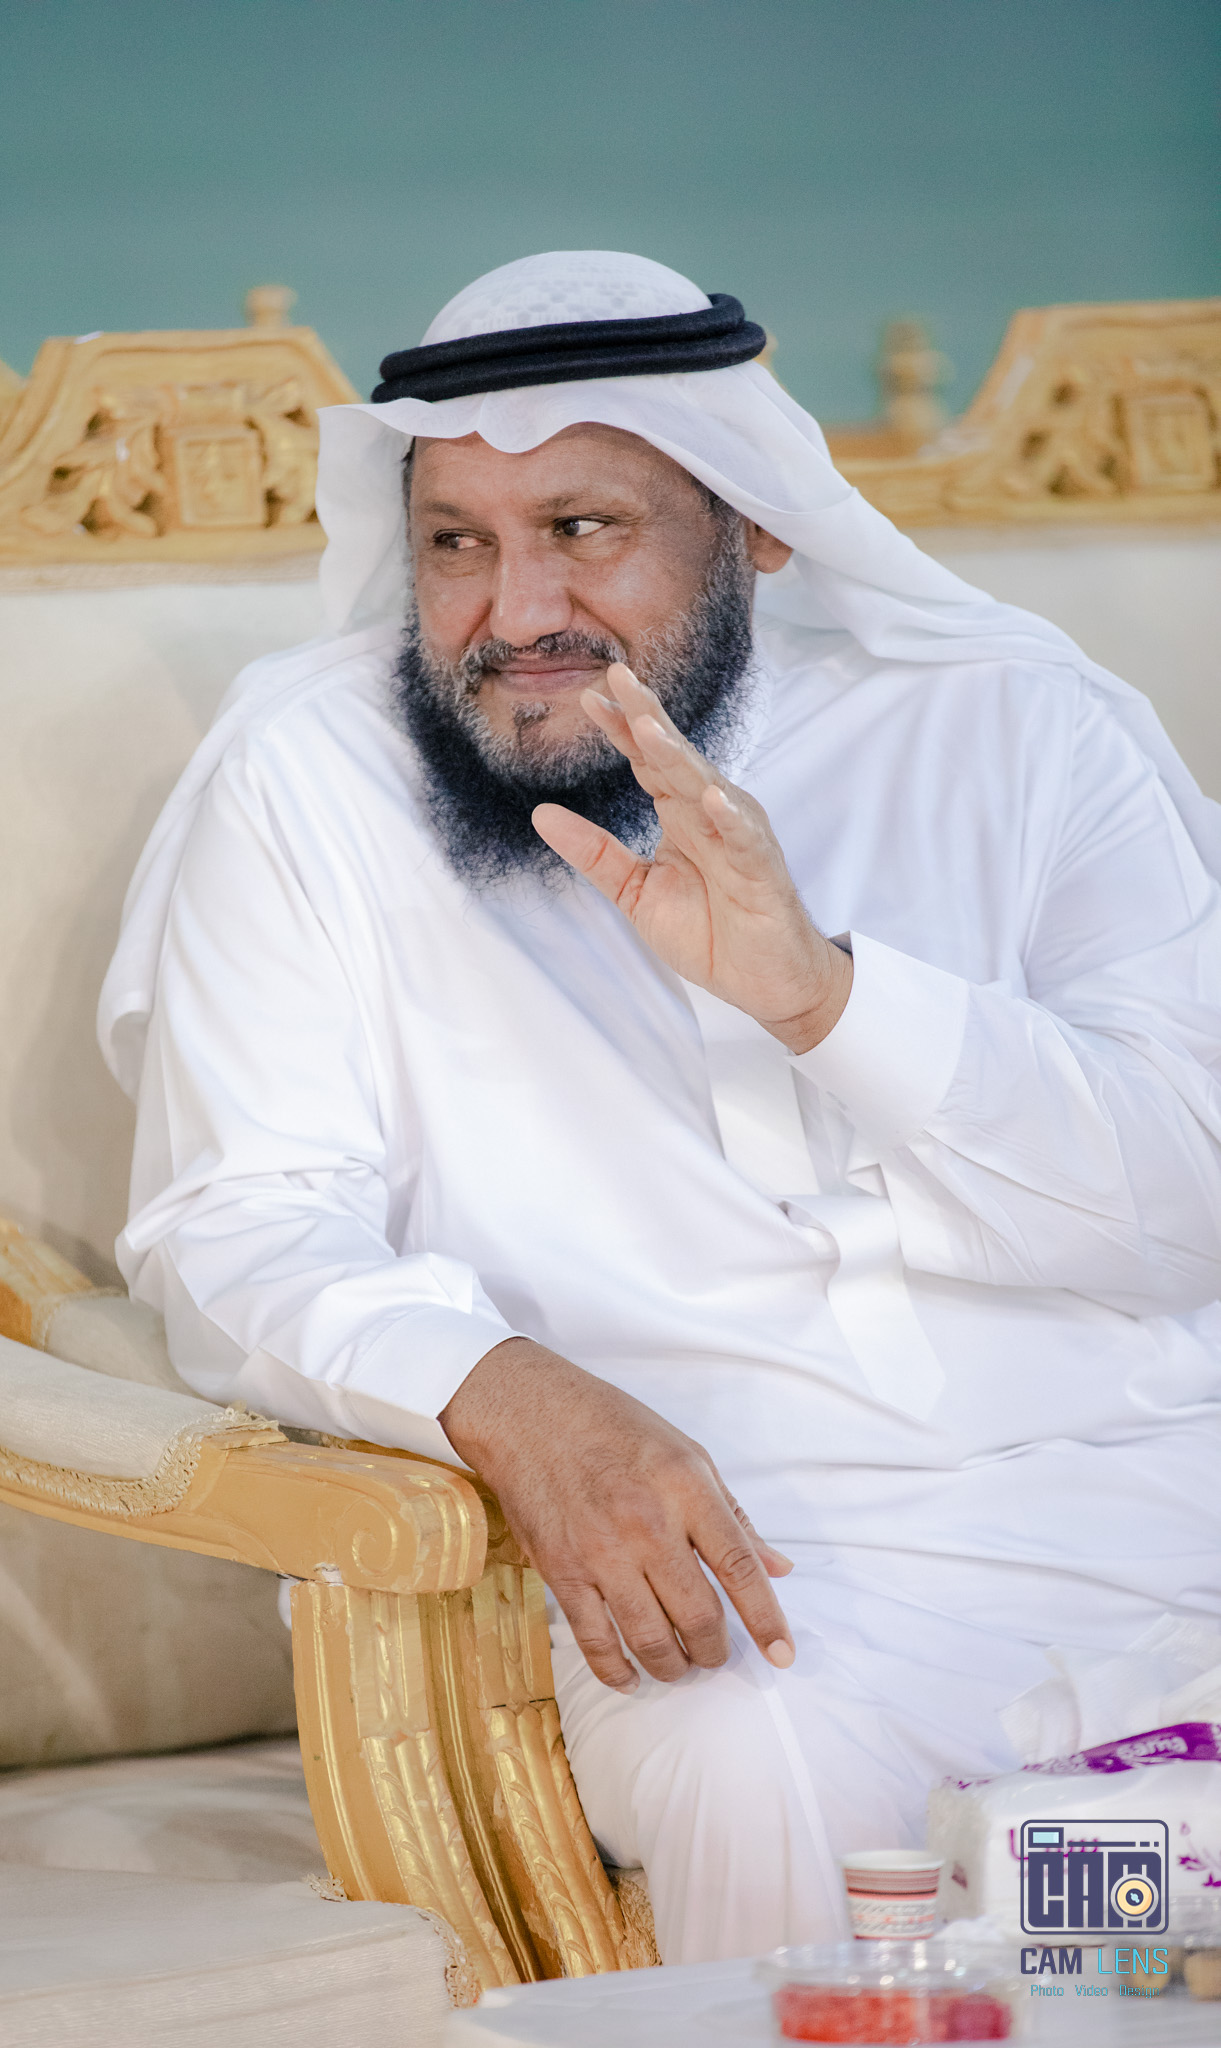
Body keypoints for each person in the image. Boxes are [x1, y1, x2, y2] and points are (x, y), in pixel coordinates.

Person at [100, 252, 1221, 1963]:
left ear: (753, 522)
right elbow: (236, 1220)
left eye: (583, 529)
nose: (513, 611)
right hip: (733, 1555)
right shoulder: (312, 779)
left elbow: (1185, 1196)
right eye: (456, 543)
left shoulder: (1021, 729)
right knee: (754, 1762)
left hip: (1148, 1494)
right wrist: (505, 1394)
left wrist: (823, 999)